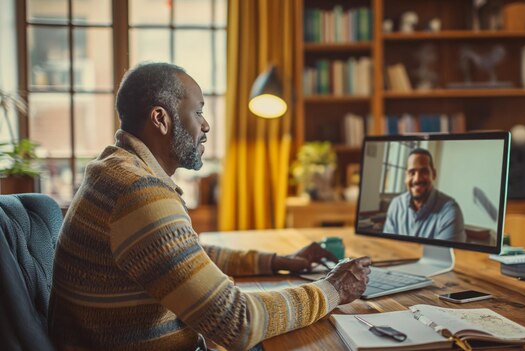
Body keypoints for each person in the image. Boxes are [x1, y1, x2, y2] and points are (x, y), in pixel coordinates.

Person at [48, 62, 371, 351]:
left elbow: (185, 256)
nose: (206, 126)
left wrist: (277, 261)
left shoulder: (115, 170)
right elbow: (237, 323)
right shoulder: (138, 192)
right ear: (161, 119)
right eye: (198, 111)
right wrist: (332, 289)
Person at [383, 148, 465, 242]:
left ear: (433, 174)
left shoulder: (450, 212)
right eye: (412, 172)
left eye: (424, 172)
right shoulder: (396, 205)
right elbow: (388, 245)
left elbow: (444, 255)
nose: (417, 179)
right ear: (405, 176)